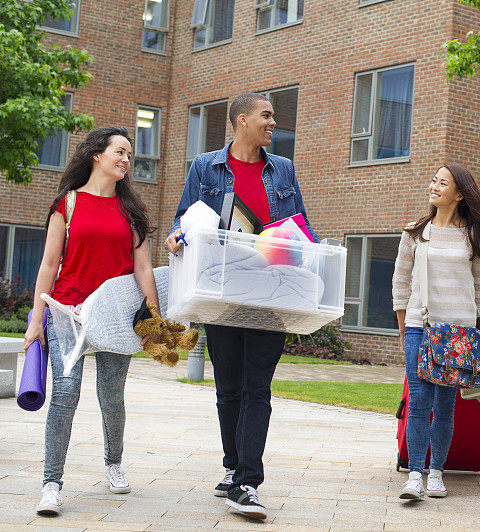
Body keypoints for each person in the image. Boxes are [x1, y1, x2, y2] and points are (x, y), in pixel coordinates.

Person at [164, 93, 318, 520]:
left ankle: (248, 481)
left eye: (273, 116)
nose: (274, 122)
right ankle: (233, 467)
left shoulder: (282, 169)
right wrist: (176, 235)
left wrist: (313, 256)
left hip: (270, 292)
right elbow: (185, 216)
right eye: (267, 116)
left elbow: (299, 224)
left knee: (257, 388)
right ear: (242, 120)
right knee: (228, 388)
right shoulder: (205, 166)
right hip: (223, 292)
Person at [23, 127, 159, 516]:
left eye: (130, 155)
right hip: (67, 311)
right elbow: (49, 265)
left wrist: (153, 319)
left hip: (115, 316)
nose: (126, 160)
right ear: (97, 155)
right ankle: (51, 483)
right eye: (120, 151)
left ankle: (113, 463)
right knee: (65, 395)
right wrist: (36, 320)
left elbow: (144, 268)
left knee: (111, 396)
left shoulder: (132, 212)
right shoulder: (66, 204)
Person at [391, 163, 480, 501]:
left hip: (459, 331)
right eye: (433, 180)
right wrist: (402, 330)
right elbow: (400, 284)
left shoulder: (472, 234)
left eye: (443, 183)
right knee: (419, 401)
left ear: (459, 193)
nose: (434, 186)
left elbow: (479, 286)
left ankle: (437, 472)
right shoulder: (414, 232)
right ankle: (414, 474)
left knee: (444, 405)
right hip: (419, 326)